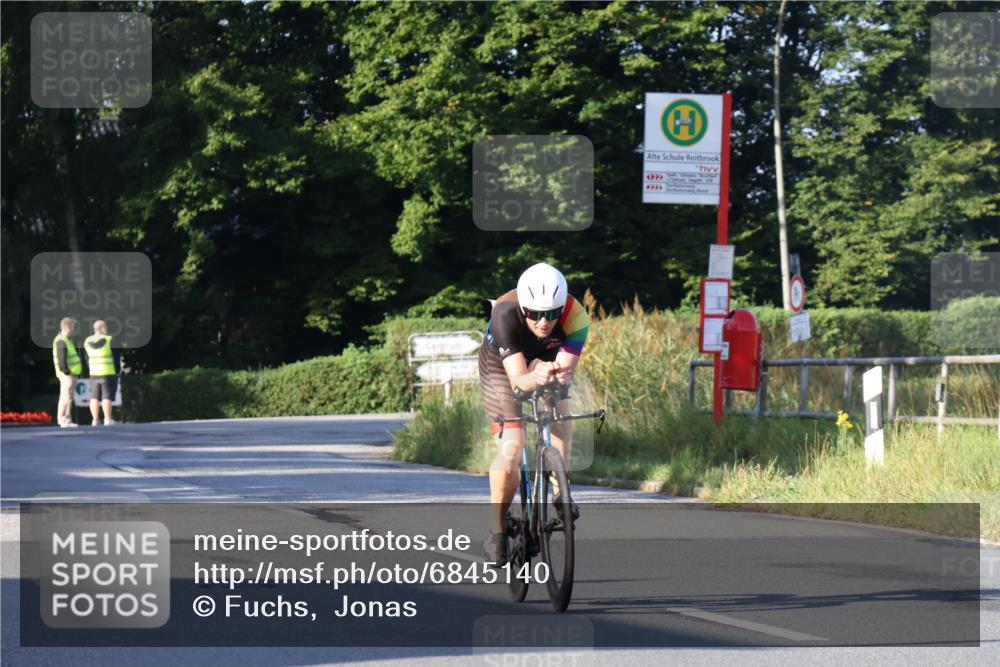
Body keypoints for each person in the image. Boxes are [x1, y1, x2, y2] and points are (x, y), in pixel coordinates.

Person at [478, 263, 590, 565]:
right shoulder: (504, 314)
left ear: (562, 307)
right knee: (512, 446)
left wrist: (555, 376)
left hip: (546, 357)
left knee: (560, 405)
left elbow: (565, 370)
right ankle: (498, 532)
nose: (544, 321)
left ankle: (559, 488)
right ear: (523, 308)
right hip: (501, 368)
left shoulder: (576, 315)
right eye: (535, 314)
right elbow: (518, 382)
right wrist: (535, 376)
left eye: (552, 313)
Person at [84, 320, 122, 426]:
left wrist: (90, 368)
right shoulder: (110, 339)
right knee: (107, 396)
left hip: (94, 373)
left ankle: (95, 420)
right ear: (102, 328)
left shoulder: (87, 341)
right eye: (105, 327)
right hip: (108, 372)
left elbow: (86, 358)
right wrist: (117, 370)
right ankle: (107, 419)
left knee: (94, 397)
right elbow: (116, 357)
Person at [52, 317, 82, 428]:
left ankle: (67, 420)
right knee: (65, 396)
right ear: (68, 327)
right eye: (73, 327)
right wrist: (67, 372)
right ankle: (62, 419)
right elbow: (62, 359)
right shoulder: (61, 340)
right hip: (67, 375)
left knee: (69, 397)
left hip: (71, 374)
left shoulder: (66, 340)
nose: (74, 330)